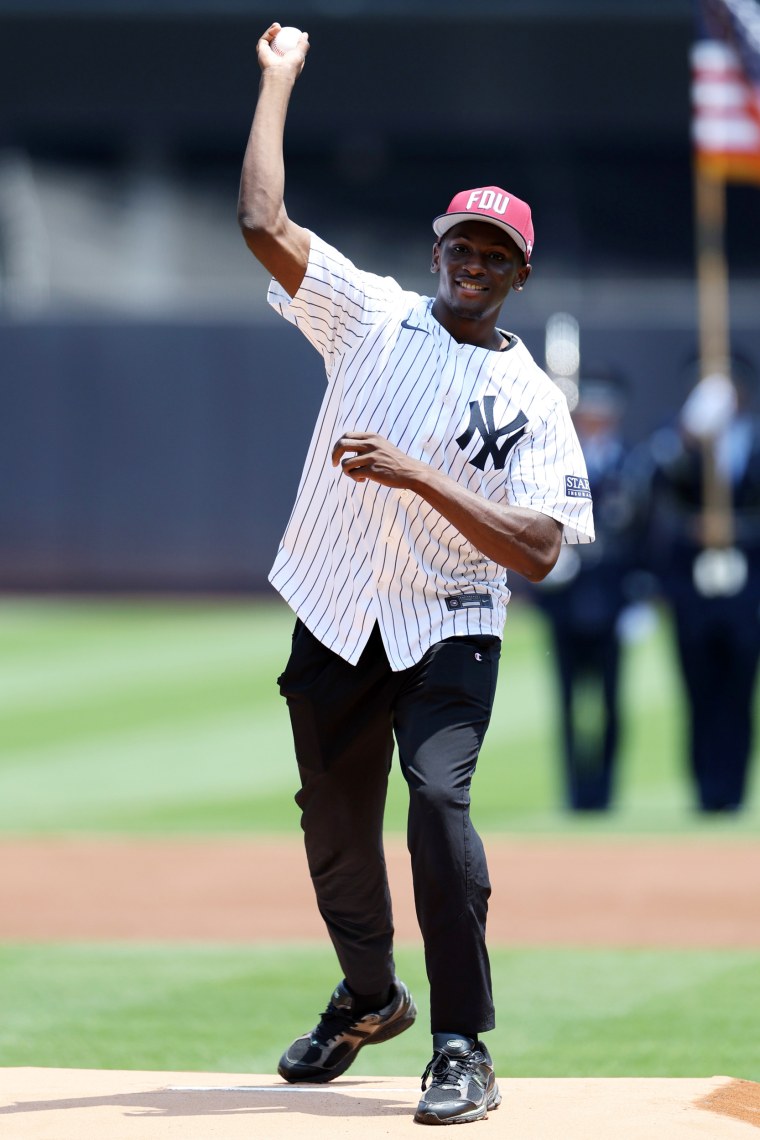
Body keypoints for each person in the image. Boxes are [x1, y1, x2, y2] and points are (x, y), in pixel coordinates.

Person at [237, 22, 595, 1126]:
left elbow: (539, 550)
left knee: (438, 805)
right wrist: (278, 80)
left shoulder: (534, 400)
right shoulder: (369, 313)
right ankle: (367, 998)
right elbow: (263, 221)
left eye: (496, 255)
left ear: (519, 275)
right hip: (339, 610)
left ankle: (460, 1045)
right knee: (332, 827)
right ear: (437, 248)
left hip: (450, 623)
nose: (474, 265)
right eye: (462, 246)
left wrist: (414, 476)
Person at [643, 356, 760, 813]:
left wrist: (735, 530)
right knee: (698, 689)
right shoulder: (681, 445)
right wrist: (689, 435)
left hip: (745, 588)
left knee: (737, 692)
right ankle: (705, 791)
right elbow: (656, 490)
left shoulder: (753, 445)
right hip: (692, 589)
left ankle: (732, 791)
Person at [531, 371, 643, 811]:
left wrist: (639, 594)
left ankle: (606, 791)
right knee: (567, 701)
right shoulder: (554, 460)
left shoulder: (632, 464)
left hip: (613, 598)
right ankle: (575, 793)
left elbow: (642, 533)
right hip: (565, 599)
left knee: (612, 700)